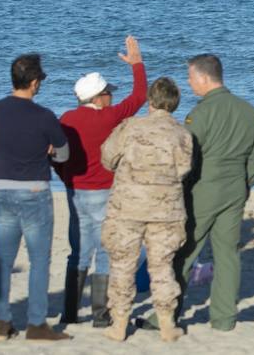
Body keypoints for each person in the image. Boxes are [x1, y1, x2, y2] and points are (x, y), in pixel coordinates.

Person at [153, 53, 254, 333]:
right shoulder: (247, 109)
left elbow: (186, 155)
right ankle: (224, 318)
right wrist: (245, 184)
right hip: (235, 188)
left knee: (185, 251)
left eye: (191, 77)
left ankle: (166, 316)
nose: (189, 83)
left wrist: (180, 186)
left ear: (203, 78)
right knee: (228, 254)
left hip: (204, 188)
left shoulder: (201, 113)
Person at [58, 35, 148, 327]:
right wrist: (137, 64)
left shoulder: (66, 119)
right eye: (108, 93)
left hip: (75, 191)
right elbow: (139, 97)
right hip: (105, 190)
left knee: (78, 252)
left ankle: (70, 313)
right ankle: (100, 314)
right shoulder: (108, 117)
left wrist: (66, 178)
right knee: (105, 250)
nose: (111, 97)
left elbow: (55, 156)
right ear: (98, 97)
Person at [100, 76, 194, 343]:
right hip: (166, 209)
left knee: (122, 264)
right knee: (163, 266)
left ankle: (119, 324)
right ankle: (166, 324)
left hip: (127, 206)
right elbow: (184, 169)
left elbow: (107, 158)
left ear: (151, 100)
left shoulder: (130, 127)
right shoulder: (182, 134)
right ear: (174, 103)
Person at [0, 52, 72, 342]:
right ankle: (36, 322)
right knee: (39, 259)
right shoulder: (44, 116)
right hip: (34, 189)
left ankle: (2, 321)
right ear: (34, 82)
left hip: (4, 187)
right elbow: (64, 154)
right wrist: (49, 151)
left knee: (3, 258)